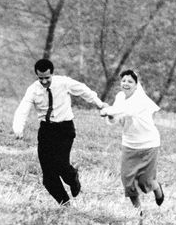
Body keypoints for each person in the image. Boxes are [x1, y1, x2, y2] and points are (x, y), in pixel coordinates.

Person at [13, 58, 107, 206]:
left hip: (64, 129)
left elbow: (83, 90)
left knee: (61, 165)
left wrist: (99, 104)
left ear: (52, 74)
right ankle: (65, 206)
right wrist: (18, 129)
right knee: (48, 178)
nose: (44, 81)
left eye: (47, 78)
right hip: (46, 131)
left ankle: (73, 177)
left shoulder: (63, 83)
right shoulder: (33, 89)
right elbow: (23, 109)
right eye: (41, 78)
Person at [99, 69, 165, 212]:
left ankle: (157, 188)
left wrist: (107, 110)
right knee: (127, 181)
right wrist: (110, 115)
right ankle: (138, 211)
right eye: (123, 81)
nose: (126, 83)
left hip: (148, 144)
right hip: (129, 144)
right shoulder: (120, 97)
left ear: (136, 84)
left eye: (130, 81)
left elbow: (127, 111)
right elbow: (117, 117)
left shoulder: (140, 99)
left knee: (146, 181)